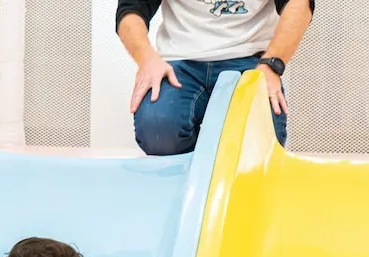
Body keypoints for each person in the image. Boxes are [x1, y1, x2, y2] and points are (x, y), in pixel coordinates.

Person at [116, 0, 314, 155]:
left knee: (258, 143)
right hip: (180, 59)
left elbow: (299, 4)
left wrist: (272, 65)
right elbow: (131, 9)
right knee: (158, 131)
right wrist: (147, 60)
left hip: (249, 60)